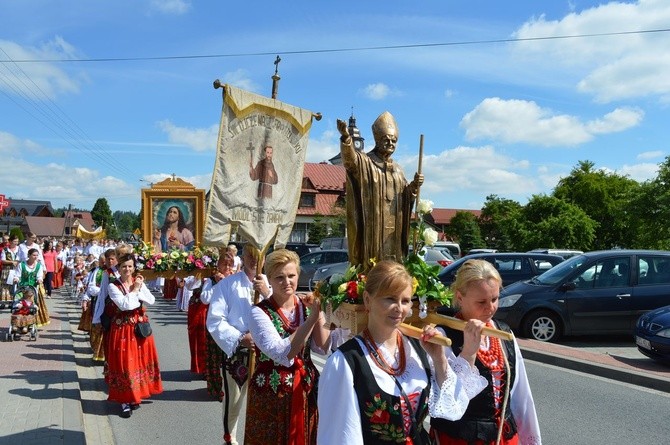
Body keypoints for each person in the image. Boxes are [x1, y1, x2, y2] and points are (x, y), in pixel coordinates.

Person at [317, 260, 488, 445]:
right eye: (390, 299)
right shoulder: (345, 362)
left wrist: (439, 358)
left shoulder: (418, 348)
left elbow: (453, 407)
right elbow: (341, 436)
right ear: (368, 300)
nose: (399, 308)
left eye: (405, 300)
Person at [430, 259, 542, 444]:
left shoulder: (503, 333)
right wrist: (468, 352)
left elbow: (521, 395)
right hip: (460, 438)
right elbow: (447, 400)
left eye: (495, 299)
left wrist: (529, 438)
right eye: (481, 301)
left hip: (504, 436)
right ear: (459, 297)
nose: (490, 308)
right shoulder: (443, 336)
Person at [245, 249, 333, 445]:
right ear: (269, 279)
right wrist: (311, 319)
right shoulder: (259, 313)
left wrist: (321, 313)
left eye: (291, 276)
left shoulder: (306, 305)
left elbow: (324, 346)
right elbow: (282, 352)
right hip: (271, 393)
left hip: (304, 389)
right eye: (279, 277)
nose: (287, 282)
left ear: (298, 275)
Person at [337, 112, 423, 269]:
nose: (390, 143)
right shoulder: (365, 162)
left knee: (394, 267)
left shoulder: (398, 169)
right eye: (386, 139)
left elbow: (404, 197)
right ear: (377, 140)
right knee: (372, 264)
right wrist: (346, 138)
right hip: (372, 228)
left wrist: (413, 187)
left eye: (394, 141)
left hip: (394, 233)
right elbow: (350, 161)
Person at [206, 244, 272, 445]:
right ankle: (230, 437)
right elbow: (215, 319)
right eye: (250, 255)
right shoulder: (227, 285)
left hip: (267, 353)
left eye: (258, 255)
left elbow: (283, 312)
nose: (254, 260)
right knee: (234, 401)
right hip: (239, 351)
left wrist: (268, 294)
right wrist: (240, 337)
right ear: (242, 256)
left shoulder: (271, 284)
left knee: (264, 401)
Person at [103, 252, 163, 418]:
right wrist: (136, 290)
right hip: (122, 330)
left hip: (139, 329)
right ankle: (124, 401)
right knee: (124, 366)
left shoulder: (138, 282)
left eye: (130, 266)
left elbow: (151, 300)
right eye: (124, 267)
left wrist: (138, 288)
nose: (127, 269)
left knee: (139, 363)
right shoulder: (113, 286)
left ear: (134, 267)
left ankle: (135, 396)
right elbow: (125, 305)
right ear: (119, 268)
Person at [187, 253, 235, 392]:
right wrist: (219, 283)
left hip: (231, 321)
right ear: (218, 265)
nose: (227, 267)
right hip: (217, 321)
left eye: (229, 265)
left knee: (229, 356)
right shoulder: (211, 280)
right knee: (214, 355)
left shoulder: (235, 278)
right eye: (224, 264)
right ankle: (215, 388)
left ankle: (230, 387)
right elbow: (205, 299)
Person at [13, 248, 49, 327]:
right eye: (33, 255)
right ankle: (19, 321)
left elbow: (39, 276)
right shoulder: (22, 264)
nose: (35, 257)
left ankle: (31, 322)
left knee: (32, 305)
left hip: (33, 289)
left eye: (37, 255)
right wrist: (16, 278)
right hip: (22, 288)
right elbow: (17, 275)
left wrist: (39, 280)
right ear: (29, 255)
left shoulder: (38, 265)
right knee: (19, 303)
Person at [1, 234, 20, 305]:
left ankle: (14, 301)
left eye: (17, 241)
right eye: (14, 241)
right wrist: (12, 262)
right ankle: (4, 301)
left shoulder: (19, 249)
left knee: (15, 285)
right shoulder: (5, 250)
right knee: (6, 285)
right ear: (10, 241)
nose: (16, 243)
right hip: (7, 269)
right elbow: (2, 260)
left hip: (17, 269)